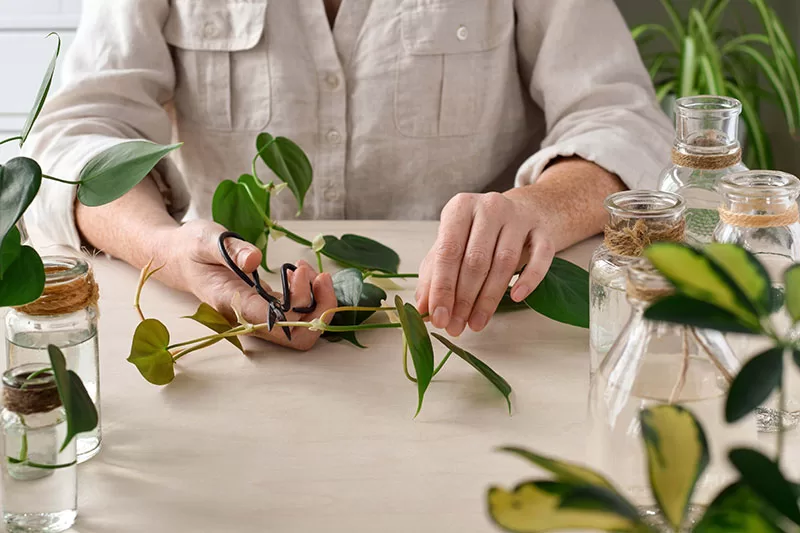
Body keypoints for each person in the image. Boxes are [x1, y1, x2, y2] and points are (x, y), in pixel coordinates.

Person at [24, 0, 672, 350]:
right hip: (226, 345)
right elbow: (75, 140)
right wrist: (168, 251)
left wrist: (539, 208)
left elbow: (623, 119)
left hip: (475, 341)